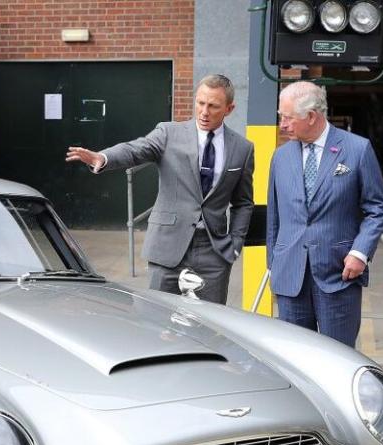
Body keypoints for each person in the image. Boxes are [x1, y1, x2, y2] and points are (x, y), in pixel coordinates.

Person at [65, 74, 254, 304]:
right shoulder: (168, 133)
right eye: (200, 103)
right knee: (157, 319)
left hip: (213, 251)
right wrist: (103, 158)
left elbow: (243, 202)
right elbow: (135, 149)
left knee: (211, 325)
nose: (204, 112)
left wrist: (234, 244)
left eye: (213, 106)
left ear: (229, 108)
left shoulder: (242, 148)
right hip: (168, 246)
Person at [267, 81, 383, 348]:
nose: (283, 125)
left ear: (311, 116)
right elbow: (274, 218)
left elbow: (377, 209)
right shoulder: (280, 157)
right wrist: (274, 266)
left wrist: (360, 253)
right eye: (281, 117)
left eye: (288, 118)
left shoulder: (357, 150)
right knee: (294, 357)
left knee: (340, 356)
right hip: (291, 278)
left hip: (339, 273)